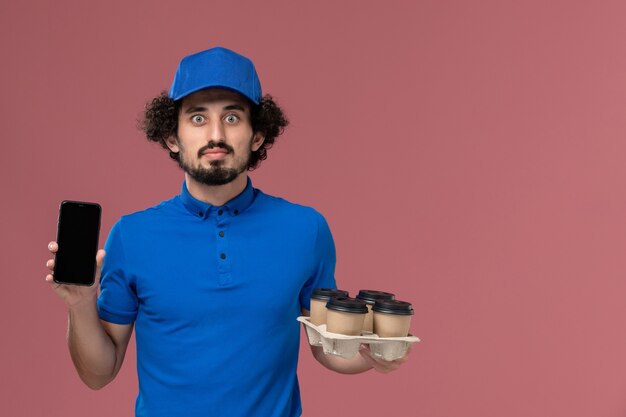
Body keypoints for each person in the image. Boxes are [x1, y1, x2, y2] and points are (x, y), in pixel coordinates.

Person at [45, 46, 410, 417]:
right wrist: (80, 305)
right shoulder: (130, 236)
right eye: (198, 118)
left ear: (257, 136)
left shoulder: (307, 230)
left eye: (232, 118)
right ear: (172, 137)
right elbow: (98, 373)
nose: (216, 135)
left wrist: (372, 356)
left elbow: (325, 348)